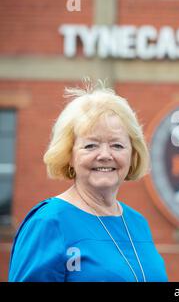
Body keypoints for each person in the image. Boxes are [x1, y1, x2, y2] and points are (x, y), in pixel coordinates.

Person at [9, 79, 168, 282]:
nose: (105, 155)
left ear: (133, 154)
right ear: (69, 155)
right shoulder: (49, 222)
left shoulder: (138, 223)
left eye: (117, 145)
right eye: (91, 145)